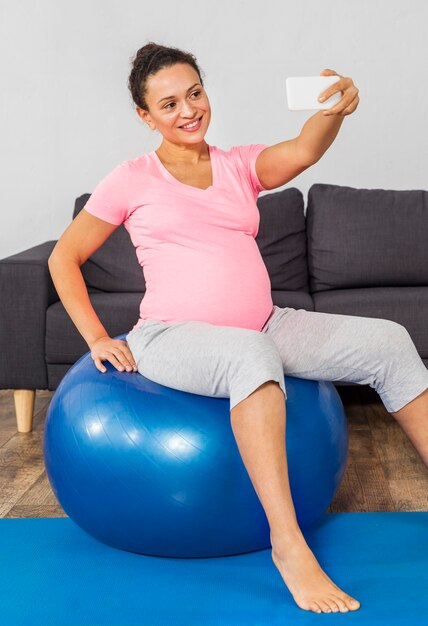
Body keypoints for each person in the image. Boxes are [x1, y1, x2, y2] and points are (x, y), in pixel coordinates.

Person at [48, 42, 428, 615]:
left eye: (194, 93)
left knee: (391, 342)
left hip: (265, 325)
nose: (188, 110)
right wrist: (99, 338)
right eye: (169, 103)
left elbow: (302, 151)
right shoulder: (130, 179)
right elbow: (63, 258)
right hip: (171, 338)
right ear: (145, 116)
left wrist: (333, 110)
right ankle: (288, 545)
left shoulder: (235, 165)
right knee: (251, 355)